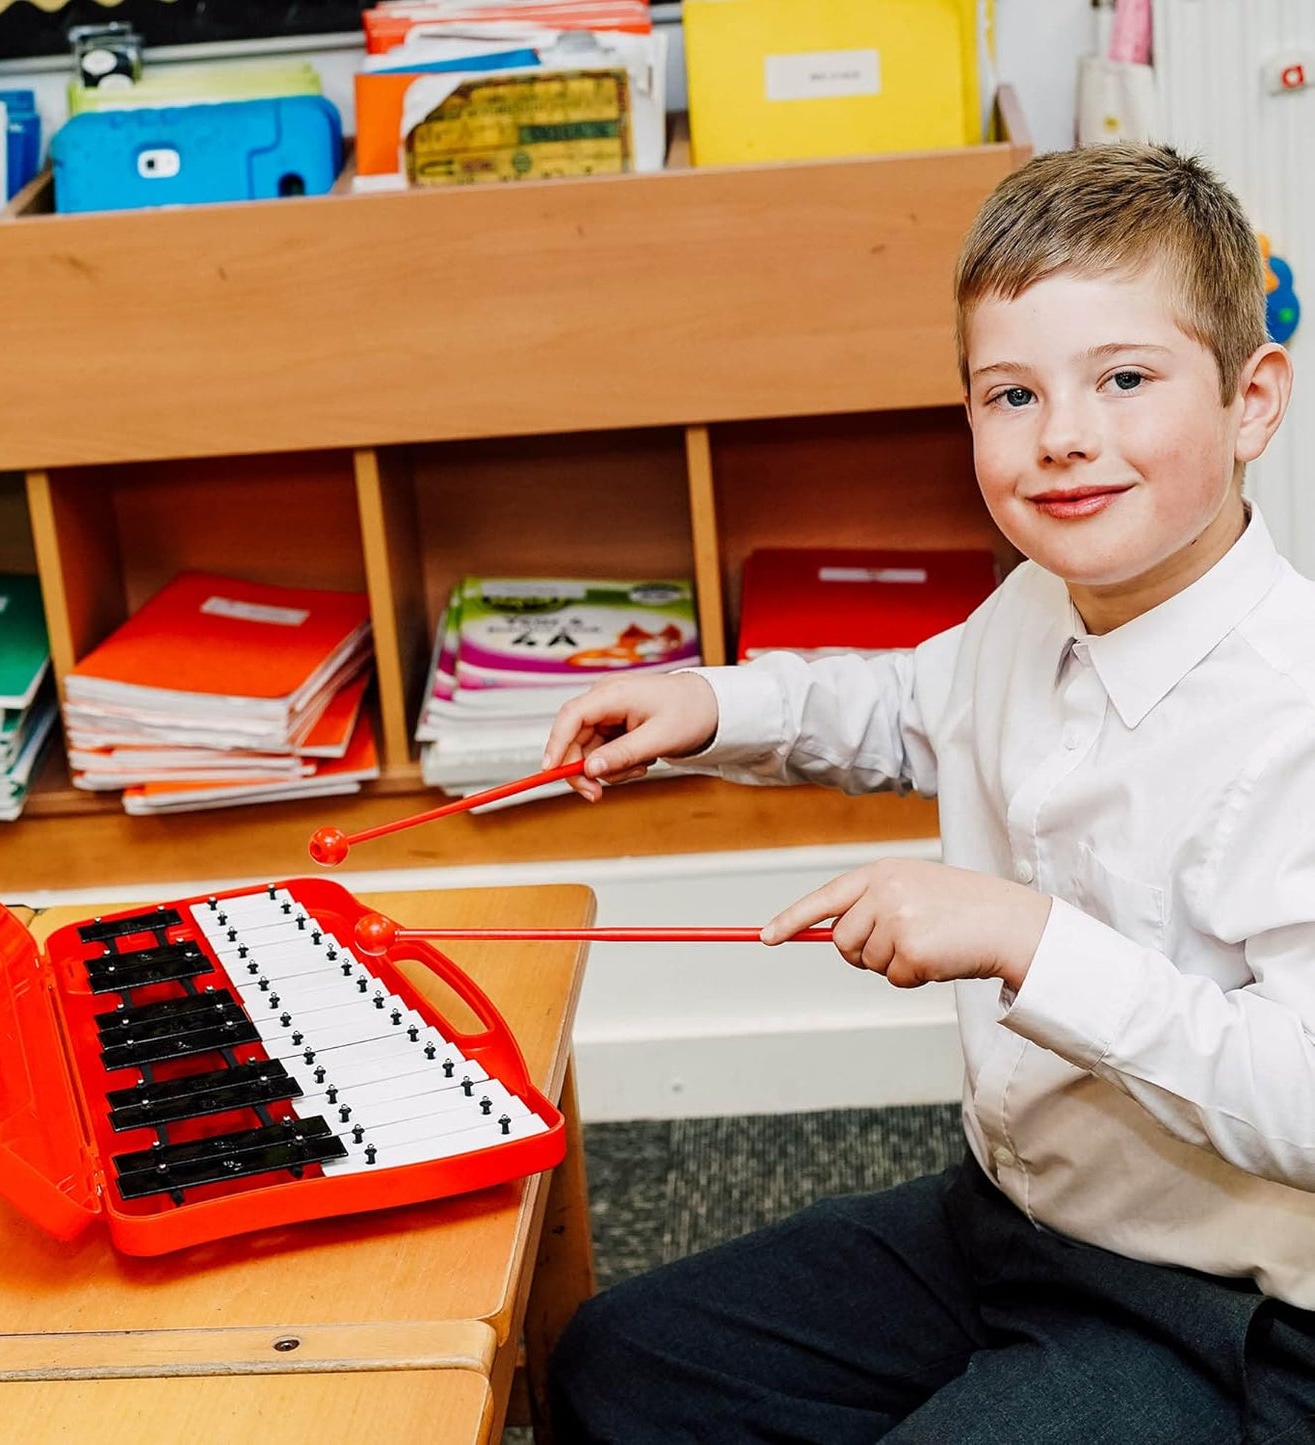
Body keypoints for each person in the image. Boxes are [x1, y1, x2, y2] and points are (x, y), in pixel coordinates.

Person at [541, 142, 1315, 1444]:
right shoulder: (1037, 599)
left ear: (1250, 402)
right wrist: (717, 704)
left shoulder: (1290, 714)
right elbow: (911, 703)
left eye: (1122, 379)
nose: (1062, 437)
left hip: (1222, 1312)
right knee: (618, 1360)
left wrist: (1026, 939)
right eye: (1009, 394)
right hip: (1010, 1221)